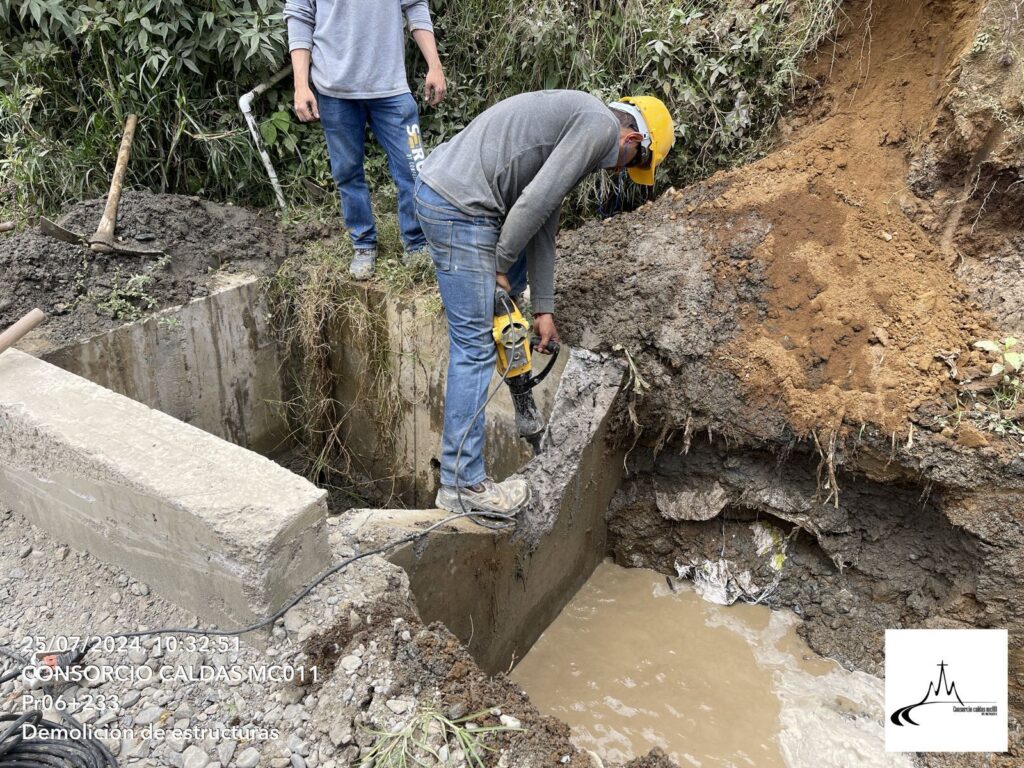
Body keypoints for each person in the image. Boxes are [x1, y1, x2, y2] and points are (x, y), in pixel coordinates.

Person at [414, 90, 674, 515]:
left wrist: (544, 310)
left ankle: (497, 320)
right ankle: (462, 484)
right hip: (462, 208)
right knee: (475, 347)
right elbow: (534, 203)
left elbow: (542, 214)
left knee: (491, 317)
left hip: (451, 195)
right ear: (632, 140)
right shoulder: (598, 128)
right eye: (635, 165)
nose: (624, 171)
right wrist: (498, 266)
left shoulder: (583, 119)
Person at [284, 0, 446, 279]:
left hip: (391, 88)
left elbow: (415, 5)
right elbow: (299, 17)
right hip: (335, 91)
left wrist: (435, 64)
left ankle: (417, 243)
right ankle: (363, 244)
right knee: (347, 173)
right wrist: (301, 85)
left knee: (415, 167)